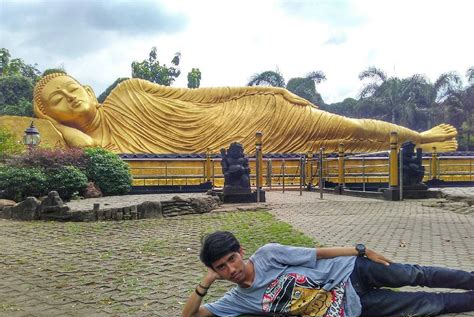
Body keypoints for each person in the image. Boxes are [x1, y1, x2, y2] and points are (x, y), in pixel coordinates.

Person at [33, 73, 458, 154]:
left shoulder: (127, 90)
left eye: (72, 89)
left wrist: (257, 90)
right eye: (57, 102)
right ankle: (415, 142)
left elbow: (199, 95)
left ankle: (422, 138)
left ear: (88, 89)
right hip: (236, 147)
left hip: (254, 113)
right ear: (53, 117)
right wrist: (58, 131)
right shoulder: (94, 145)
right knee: (338, 144)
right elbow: (89, 149)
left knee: (343, 126)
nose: (69, 99)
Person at [181, 231, 474, 317]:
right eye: (221, 267)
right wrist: (206, 282)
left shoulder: (269, 254)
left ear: (240, 251)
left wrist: (361, 250)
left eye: (232, 259)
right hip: (351, 305)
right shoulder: (237, 300)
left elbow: (317, 253)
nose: (231, 270)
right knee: (423, 305)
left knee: (414, 274)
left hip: (352, 269)